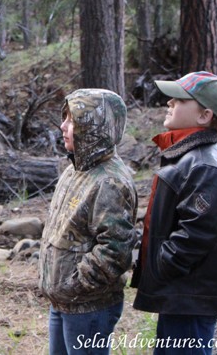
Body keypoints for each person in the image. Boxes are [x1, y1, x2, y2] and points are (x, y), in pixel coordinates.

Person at [132, 72, 217, 355]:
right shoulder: (190, 155)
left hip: (190, 296)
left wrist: (161, 265)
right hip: (182, 295)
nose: (169, 102)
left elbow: (198, 232)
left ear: (205, 116)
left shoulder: (203, 163)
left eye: (180, 99)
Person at [38, 88, 138, 355]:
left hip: (89, 308)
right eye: (65, 118)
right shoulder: (75, 170)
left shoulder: (110, 182)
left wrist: (75, 285)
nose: (62, 126)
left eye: (72, 120)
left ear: (95, 127)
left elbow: (115, 250)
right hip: (63, 303)